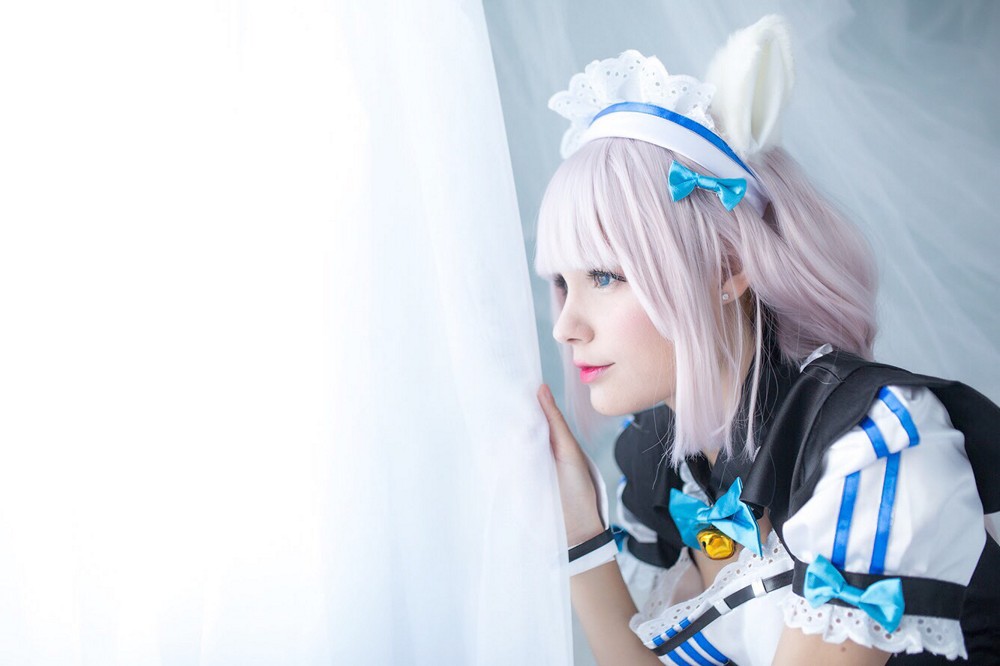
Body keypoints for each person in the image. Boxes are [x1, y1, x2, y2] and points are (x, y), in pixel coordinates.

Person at [533, 15, 1000, 666]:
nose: (565, 326)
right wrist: (579, 529)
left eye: (606, 277)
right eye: (561, 283)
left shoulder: (875, 439)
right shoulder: (657, 462)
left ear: (728, 268)